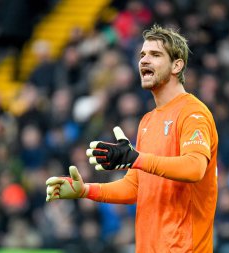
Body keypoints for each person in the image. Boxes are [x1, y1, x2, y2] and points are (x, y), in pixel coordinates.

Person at [45, 24, 219, 252]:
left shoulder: (193, 113)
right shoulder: (147, 121)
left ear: (177, 65)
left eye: (155, 54)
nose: (144, 60)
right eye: (142, 55)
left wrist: (136, 158)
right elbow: (134, 188)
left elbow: (194, 168)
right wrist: (86, 190)